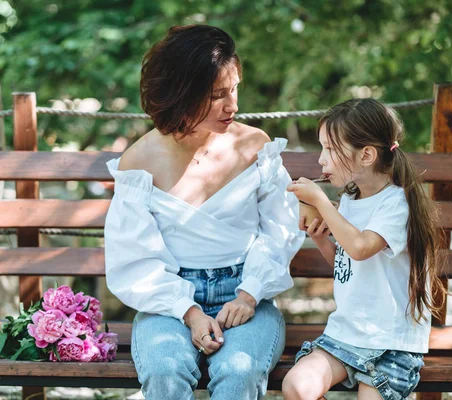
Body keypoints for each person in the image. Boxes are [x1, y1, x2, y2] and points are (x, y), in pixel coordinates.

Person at [104, 24, 305, 400]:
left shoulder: (254, 146)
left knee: (237, 373)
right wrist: (188, 312)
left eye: (235, 89)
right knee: (165, 371)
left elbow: (281, 229)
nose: (233, 106)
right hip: (169, 303)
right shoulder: (139, 161)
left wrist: (248, 295)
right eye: (217, 96)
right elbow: (134, 258)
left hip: (247, 294)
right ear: (182, 93)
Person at [283, 98, 447, 400]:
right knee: (296, 386)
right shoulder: (350, 199)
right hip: (346, 335)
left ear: (367, 155)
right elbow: (349, 265)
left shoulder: (396, 204)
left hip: (390, 343)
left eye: (330, 149)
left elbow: (361, 248)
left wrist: (320, 201)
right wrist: (321, 238)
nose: (321, 159)